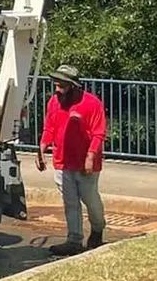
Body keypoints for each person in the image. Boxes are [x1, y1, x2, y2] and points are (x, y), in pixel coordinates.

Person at [38, 64, 107, 255]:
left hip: (85, 163)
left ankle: (97, 229)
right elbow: (49, 127)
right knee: (70, 202)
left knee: (90, 199)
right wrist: (43, 147)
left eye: (62, 86)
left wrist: (90, 157)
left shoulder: (92, 104)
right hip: (62, 161)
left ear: (74, 85)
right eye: (56, 85)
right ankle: (74, 239)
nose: (57, 90)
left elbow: (98, 133)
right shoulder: (53, 102)